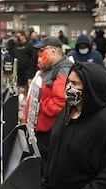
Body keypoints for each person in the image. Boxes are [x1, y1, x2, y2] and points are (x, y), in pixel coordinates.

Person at [23, 37, 73, 176]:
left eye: (42, 50)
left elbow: (59, 103)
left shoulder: (63, 70)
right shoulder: (48, 68)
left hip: (49, 132)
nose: (39, 55)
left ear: (53, 51)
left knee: (47, 166)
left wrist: (39, 104)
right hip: (40, 129)